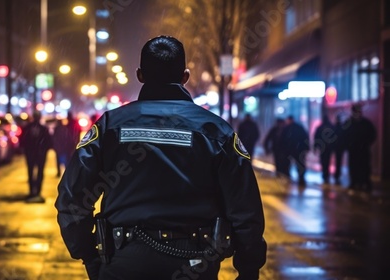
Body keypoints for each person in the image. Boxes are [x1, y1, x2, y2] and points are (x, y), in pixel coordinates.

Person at [55, 35, 266, 280]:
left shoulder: (110, 127)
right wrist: (249, 269)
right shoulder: (217, 131)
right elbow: (245, 208)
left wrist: (90, 257)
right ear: (185, 77)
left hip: (123, 262)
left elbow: (72, 199)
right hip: (196, 262)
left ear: (140, 75)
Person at [19, 111, 52, 203]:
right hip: (39, 153)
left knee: (31, 172)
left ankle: (32, 191)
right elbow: (49, 141)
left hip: (31, 153)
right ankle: (37, 191)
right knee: (39, 172)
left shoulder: (27, 128)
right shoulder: (43, 129)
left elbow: (22, 140)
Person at [344, 103, 377, 192]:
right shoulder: (363, 123)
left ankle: (363, 183)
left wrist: (365, 144)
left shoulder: (351, 123)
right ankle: (357, 183)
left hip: (362, 150)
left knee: (363, 167)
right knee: (357, 167)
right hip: (357, 150)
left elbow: (372, 135)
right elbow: (344, 136)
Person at [281, 115, 310, 186]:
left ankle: (288, 177)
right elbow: (305, 137)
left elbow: (282, 139)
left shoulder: (287, 128)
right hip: (299, 149)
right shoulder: (299, 128)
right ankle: (301, 179)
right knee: (300, 164)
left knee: (287, 164)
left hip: (290, 150)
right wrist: (306, 147)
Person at [313, 115, 336, 184]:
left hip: (322, 147)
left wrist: (315, 147)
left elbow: (316, 138)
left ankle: (325, 175)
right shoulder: (331, 127)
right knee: (327, 160)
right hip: (328, 147)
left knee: (323, 161)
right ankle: (326, 175)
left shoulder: (320, 127)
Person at [333, 114, 345, 185]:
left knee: (337, 161)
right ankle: (337, 174)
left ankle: (337, 175)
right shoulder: (342, 128)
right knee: (338, 161)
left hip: (337, 147)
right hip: (340, 147)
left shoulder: (334, 128)